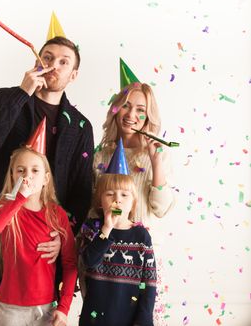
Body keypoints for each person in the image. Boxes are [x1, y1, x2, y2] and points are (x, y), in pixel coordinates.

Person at [0, 36, 94, 326]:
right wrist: (22, 94)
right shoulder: (4, 98)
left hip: (44, 242)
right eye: (47, 57)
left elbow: (81, 191)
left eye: (64, 62)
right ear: (37, 62)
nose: (54, 65)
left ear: (73, 75)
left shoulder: (79, 126)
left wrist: (64, 236)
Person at [94, 82, 175, 324]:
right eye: (126, 106)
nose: (131, 115)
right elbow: (93, 206)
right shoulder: (101, 154)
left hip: (143, 259)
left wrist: (156, 164)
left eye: (141, 109)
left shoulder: (158, 154)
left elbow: (161, 208)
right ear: (115, 109)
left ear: (149, 116)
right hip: (105, 256)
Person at [0, 146, 77, 326]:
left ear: (46, 178)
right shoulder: (5, 208)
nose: (27, 176)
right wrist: (19, 198)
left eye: (35, 170)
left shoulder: (57, 214)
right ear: (13, 176)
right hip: (10, 310)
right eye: (21, 170)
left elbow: (70, 263)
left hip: (46, 309)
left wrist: (64, 307)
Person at [78, 172, 157, 326]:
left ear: (133, 203)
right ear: (100, 202)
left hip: (129, 318)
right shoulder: (92, 229)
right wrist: (106, 229)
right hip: (94, 318)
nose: (117, 199)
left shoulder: (141, 236)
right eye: (109, 194)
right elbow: (88, 261)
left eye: (124, 195)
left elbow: (149, 282)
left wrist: (144, 320)